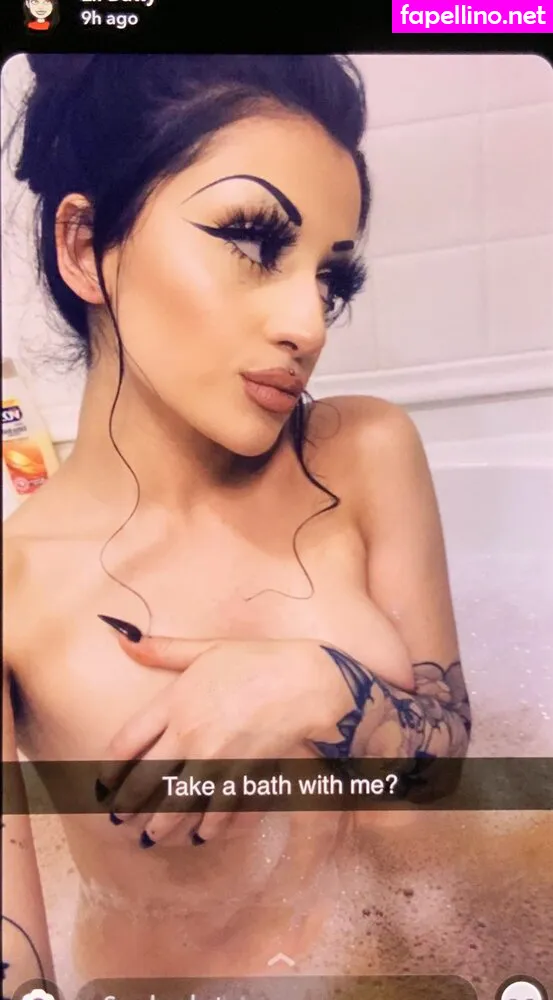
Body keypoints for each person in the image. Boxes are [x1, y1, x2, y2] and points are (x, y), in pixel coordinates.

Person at [2, 54, 471, 993]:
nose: (310, 324)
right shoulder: (15, 588)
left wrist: (321, 686)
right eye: (253, 243)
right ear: (86, 246)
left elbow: (446, 758)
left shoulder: (363, 453)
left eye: (330, 279)